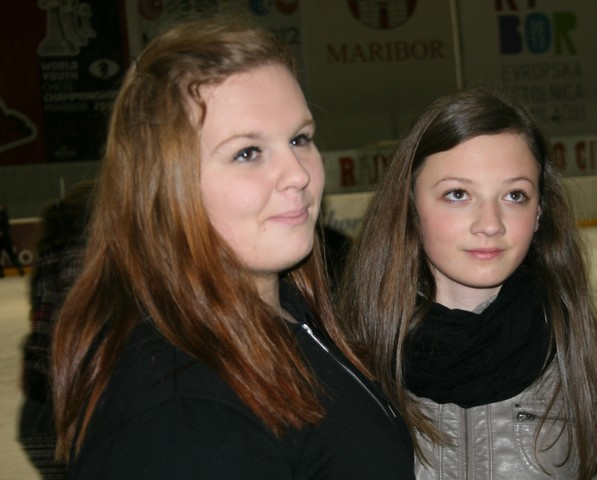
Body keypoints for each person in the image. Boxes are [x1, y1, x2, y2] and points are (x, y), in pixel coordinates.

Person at [51, 16, 415, 479]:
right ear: (165, 186)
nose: (299, 173)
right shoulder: (180, 415)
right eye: (247, 152)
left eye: (300, 139)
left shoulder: (288, 311)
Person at [339, 87, 597, 479]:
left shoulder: (582, 367)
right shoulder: (350, 366)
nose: (490, 224)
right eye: (458, 194)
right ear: (410, 206)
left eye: (514, 195)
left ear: (539, 213)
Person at [18, 181, 94, 480]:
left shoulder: (48, 260)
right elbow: (80, 332)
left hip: (36, 412)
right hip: (65, 418)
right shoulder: (81, 261)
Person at [0, 203, 25, 277]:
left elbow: (5, 225)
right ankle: (19, 268)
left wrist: (2, 232)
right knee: (12, 255)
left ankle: (19, 268)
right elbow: (6, 226)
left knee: (12, 255)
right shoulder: (4, 213)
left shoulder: (3, 214)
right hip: (6, 238)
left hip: (5, 238)